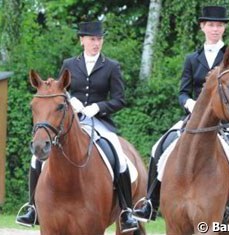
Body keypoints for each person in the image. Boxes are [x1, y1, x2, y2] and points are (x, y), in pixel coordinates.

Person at [133, 6, 229, 226]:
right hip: (195, 120)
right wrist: (190, 103)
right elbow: (182, 91)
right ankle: (150, 202)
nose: (215, 29)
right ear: (203, 27)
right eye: (211, 25)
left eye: (220, 25)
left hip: (226, 120)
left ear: (224, 28)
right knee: (159, 146)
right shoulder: (192, 59)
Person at [16, 21, 139, 233]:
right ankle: (32, 207)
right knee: (36, 158)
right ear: (82, 40)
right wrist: (72, 102)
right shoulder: (69, 64)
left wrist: (97, 108)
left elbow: (119, 99)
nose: (96, 43)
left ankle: (126, 211)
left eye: (99, 39)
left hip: (98, 121)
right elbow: (59, 90)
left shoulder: (111, 66)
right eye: (92, 39)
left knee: (118, 155)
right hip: (69, 119)